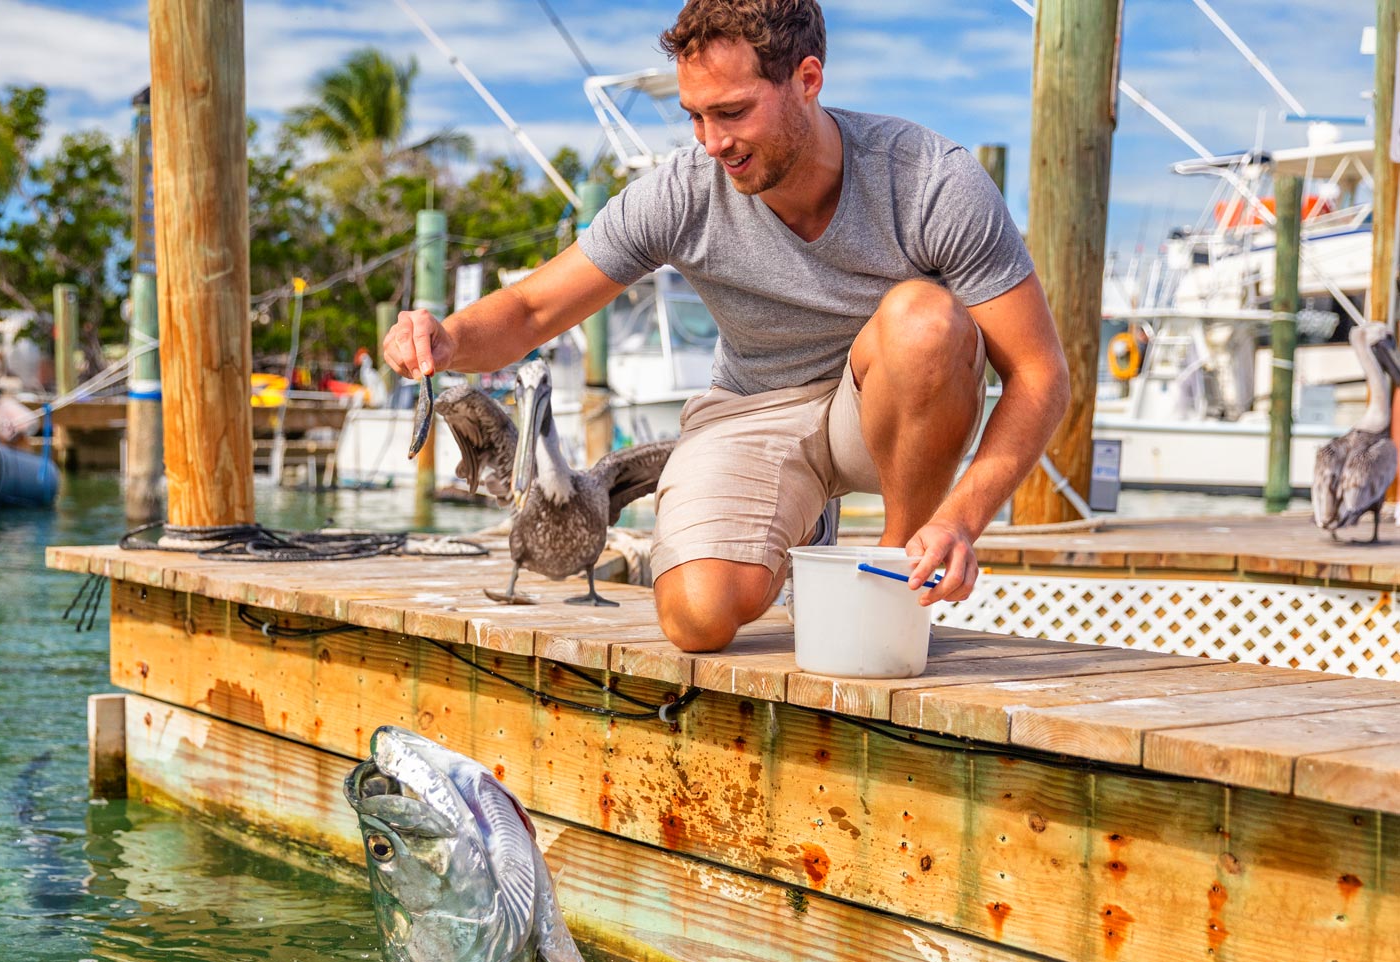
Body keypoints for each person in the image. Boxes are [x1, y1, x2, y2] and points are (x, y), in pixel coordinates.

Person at [382, 0, 1068, 652]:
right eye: (695, 117)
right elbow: (532, 308)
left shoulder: (933, 182)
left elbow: (1039, 376)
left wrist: (963, 516)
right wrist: (446, 338)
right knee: (696, 616)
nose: (712, 143)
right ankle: (791, 533)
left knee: (925, 319)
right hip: (753, 407)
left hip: (879, 401)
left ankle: (897, 567)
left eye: (733, 112)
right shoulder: (683, 189)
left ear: (807, 80)